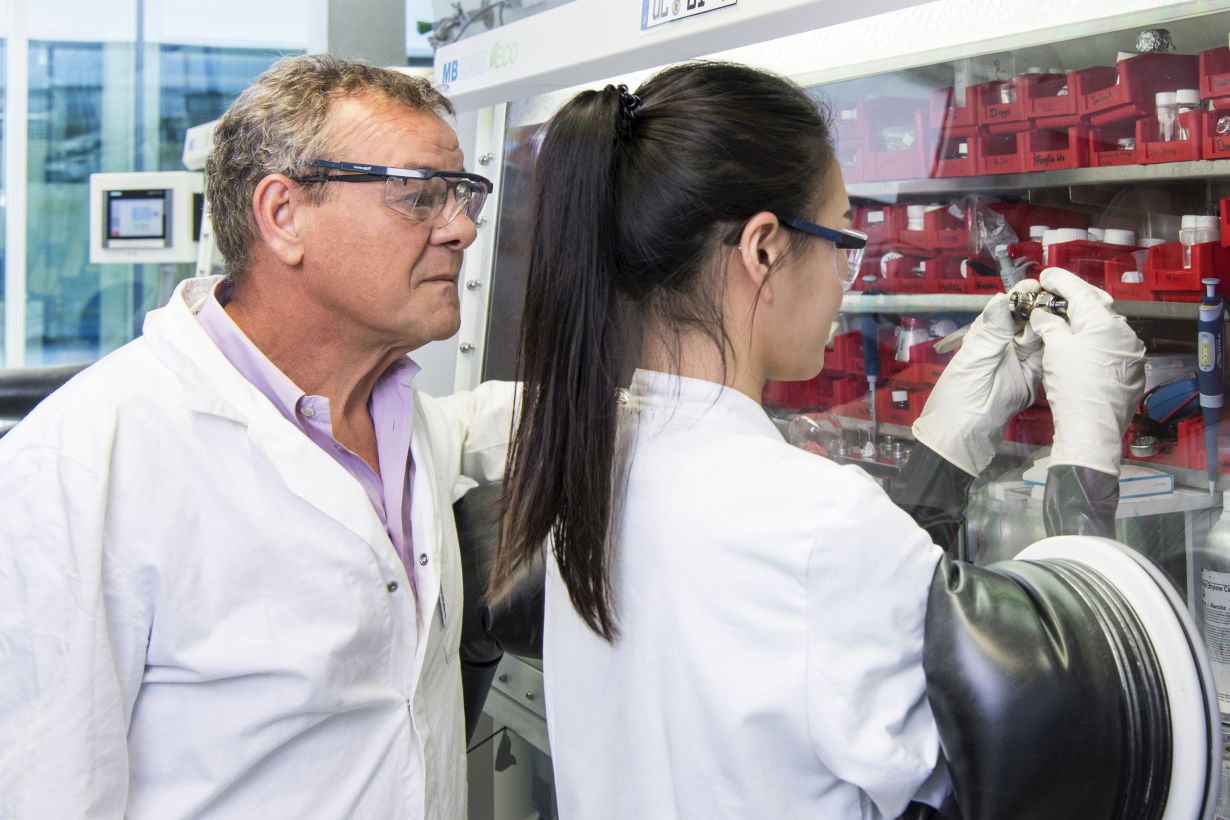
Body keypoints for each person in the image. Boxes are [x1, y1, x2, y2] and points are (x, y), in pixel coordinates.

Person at [491, 62, 1153, 818]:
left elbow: (826, 635)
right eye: (842, 240)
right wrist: (1086, 461)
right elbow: (1065, 752)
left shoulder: (584, 465)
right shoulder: (818, 522)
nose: (847, 278)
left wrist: (943, 453)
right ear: (763, 250)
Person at [0, 54, 515, 818]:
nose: (463, 230)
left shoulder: (399, 417)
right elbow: (47, 792)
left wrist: (687, 411)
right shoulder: (81, 467)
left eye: (465, 195)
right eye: (418, 197)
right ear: (283, 215)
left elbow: (484, 419)